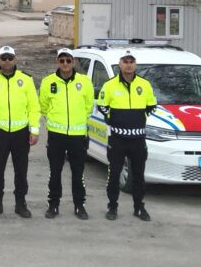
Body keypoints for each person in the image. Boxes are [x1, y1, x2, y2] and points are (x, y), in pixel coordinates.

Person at [0, 45, 39, 218]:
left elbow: (34, 106)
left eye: (10, 58)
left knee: (21, 171)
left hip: (21, 134)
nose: (7, 61)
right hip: (0, 134)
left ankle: (21, 204)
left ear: (15, 59)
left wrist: (34, 130)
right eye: (4, 58)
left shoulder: (26, 79)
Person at [97, 50, 157, 221]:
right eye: (125, 61)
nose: (129, 64)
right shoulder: (110, 85)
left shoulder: (144, 84)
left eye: (131, 61)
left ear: (135, 64)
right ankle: (112, 207)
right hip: (117, 139)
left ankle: (139, 207)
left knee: (138, 175)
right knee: (114, 174)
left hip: (138, 139)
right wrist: (114, 118)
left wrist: (137, 118)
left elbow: (151, 105)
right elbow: (102, 105)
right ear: (120, 64)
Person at [39, 48, 94, 220]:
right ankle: (53, 205)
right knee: (55, 173)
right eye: (61, 60)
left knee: (78, 174)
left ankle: (80, 206)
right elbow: (44, 107)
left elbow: (88, 106)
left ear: (74, 62)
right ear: (57, 62)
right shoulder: (48, 82)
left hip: (78, 136)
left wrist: (77, 122)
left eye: (68, 60)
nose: (65, 64)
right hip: (56, 135)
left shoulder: (84, 82)